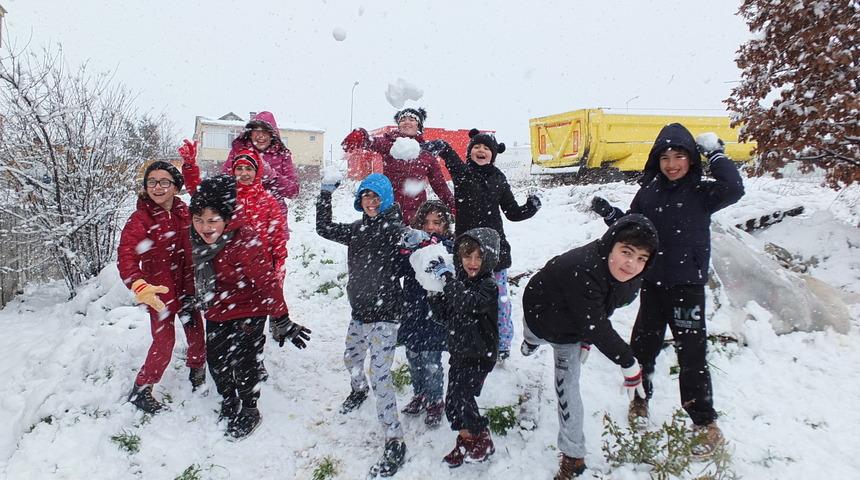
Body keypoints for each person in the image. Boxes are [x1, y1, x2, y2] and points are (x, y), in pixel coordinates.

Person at [590, 124, 745, 458]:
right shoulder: (649, 192)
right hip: (653, 285)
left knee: (692, 356)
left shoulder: (704, 192)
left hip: (688, 287)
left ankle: (704, 423)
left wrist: (715, 153)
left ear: (691, 158)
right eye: (665, 157)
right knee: (642, 348)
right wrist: (610, 216)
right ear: (656, 160)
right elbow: (633, 228)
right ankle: (639, 403)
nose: (672, 163)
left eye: (680, 156)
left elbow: (734, 187)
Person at [520, 215, 659, 479]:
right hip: (541, 315)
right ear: (611, 245)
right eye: (626, 252)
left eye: (642, 258)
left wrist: (585, 338)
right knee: (533, 337)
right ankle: (530, 343)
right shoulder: (582, 268)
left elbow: (598, 313)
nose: (632, 264)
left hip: (570, 333)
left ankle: (573, 457)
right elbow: (595, 323)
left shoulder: (631, 277)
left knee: (567, 388)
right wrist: (628, 362)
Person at [189, 175, 311, 440]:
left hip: (249, 309)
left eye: (212, 220)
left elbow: (268, 283)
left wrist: (282, 318)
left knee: (245, 362)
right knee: (217, 361)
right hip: (217, 308)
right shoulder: (198, 240)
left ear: (227, 216)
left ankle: (250, 408)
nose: (205, 227)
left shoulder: (244, 241)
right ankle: (229, 399)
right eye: (199, 220)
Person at [315, 173, 409, 477]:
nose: (371, 202)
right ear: (360, 201)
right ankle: (357, 391)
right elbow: (324, 228)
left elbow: (413, 250)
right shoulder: (356, 230)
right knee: (351, 359)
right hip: (359, 314)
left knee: (380, 375)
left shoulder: (394, 229)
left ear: (386, 200)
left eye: (376, 197)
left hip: (386, 316)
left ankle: (394, 438)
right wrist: (325, 196)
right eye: (366, 197)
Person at [426, 130, 541, 362]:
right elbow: (448, 154)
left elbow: (512, 212)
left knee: (499, 298)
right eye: (476, 146)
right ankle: (465, 337)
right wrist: (441, 145)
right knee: (464, 297)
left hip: (493, 250)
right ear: (470, 152)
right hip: (466, 249)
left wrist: (531, 207)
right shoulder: (462, 172)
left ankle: (502, 342)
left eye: (486, 148)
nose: (481, 151)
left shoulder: (498, 178)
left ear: (493, 154)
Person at [117, 161, 206, 414]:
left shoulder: (186, 213)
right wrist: (138, 283)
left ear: (176, 186)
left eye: (164, 181)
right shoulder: (140, 218)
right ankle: (142, 389)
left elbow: (206, 236)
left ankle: (197, 368)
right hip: (158, 292)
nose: (157, 187)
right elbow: (126, 255)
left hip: (189, 286)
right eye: (152, 182)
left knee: (196, 332)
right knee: (164, 341)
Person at [423, 227, 501, 468]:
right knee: (454, 402)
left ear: (489, 259)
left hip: (479, 354)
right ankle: (466, 440)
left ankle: (482, 438)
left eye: (479, 257)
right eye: (467, 256)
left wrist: (447, 279)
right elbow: (446, 315)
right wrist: (433, 293)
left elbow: (467, 303)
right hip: (459, 351)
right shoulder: (461, 282)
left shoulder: (488, 286)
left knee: (463, 397)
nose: (473, 262)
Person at [179, 111, 299, 239]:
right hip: (239, 217)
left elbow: (293, 191)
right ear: (249, 133)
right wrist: (190, 166)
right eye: (256, 130)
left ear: (273, 133)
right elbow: (219, 185)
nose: (261, 135)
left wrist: (273, 176)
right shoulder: (238, 151)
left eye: (266, 131)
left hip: (271, 221)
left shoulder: (282, 155)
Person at [341, 107, 455, 224]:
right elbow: (372, 142)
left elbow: (440, 187)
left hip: (416, 216)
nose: (406, 122)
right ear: (399, 125)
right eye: (403, 119)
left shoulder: (427, 155)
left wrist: (455, 207)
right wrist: (362, 135)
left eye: (411, 119)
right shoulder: (390, 144)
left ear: (419, 126)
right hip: (389, 213)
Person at [397, 200, 454, 428]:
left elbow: (449, 268)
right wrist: (405, 248)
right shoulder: (414, 245)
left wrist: (431, 245)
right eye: (426, 223)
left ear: (444, 225)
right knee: (413, 357)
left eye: (436, 223)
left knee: (431, 360)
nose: (431, 227)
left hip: (434, 313)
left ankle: (435, 400)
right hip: (412, 310)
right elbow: (400, 267)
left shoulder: (448, 247)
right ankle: (419, 394)